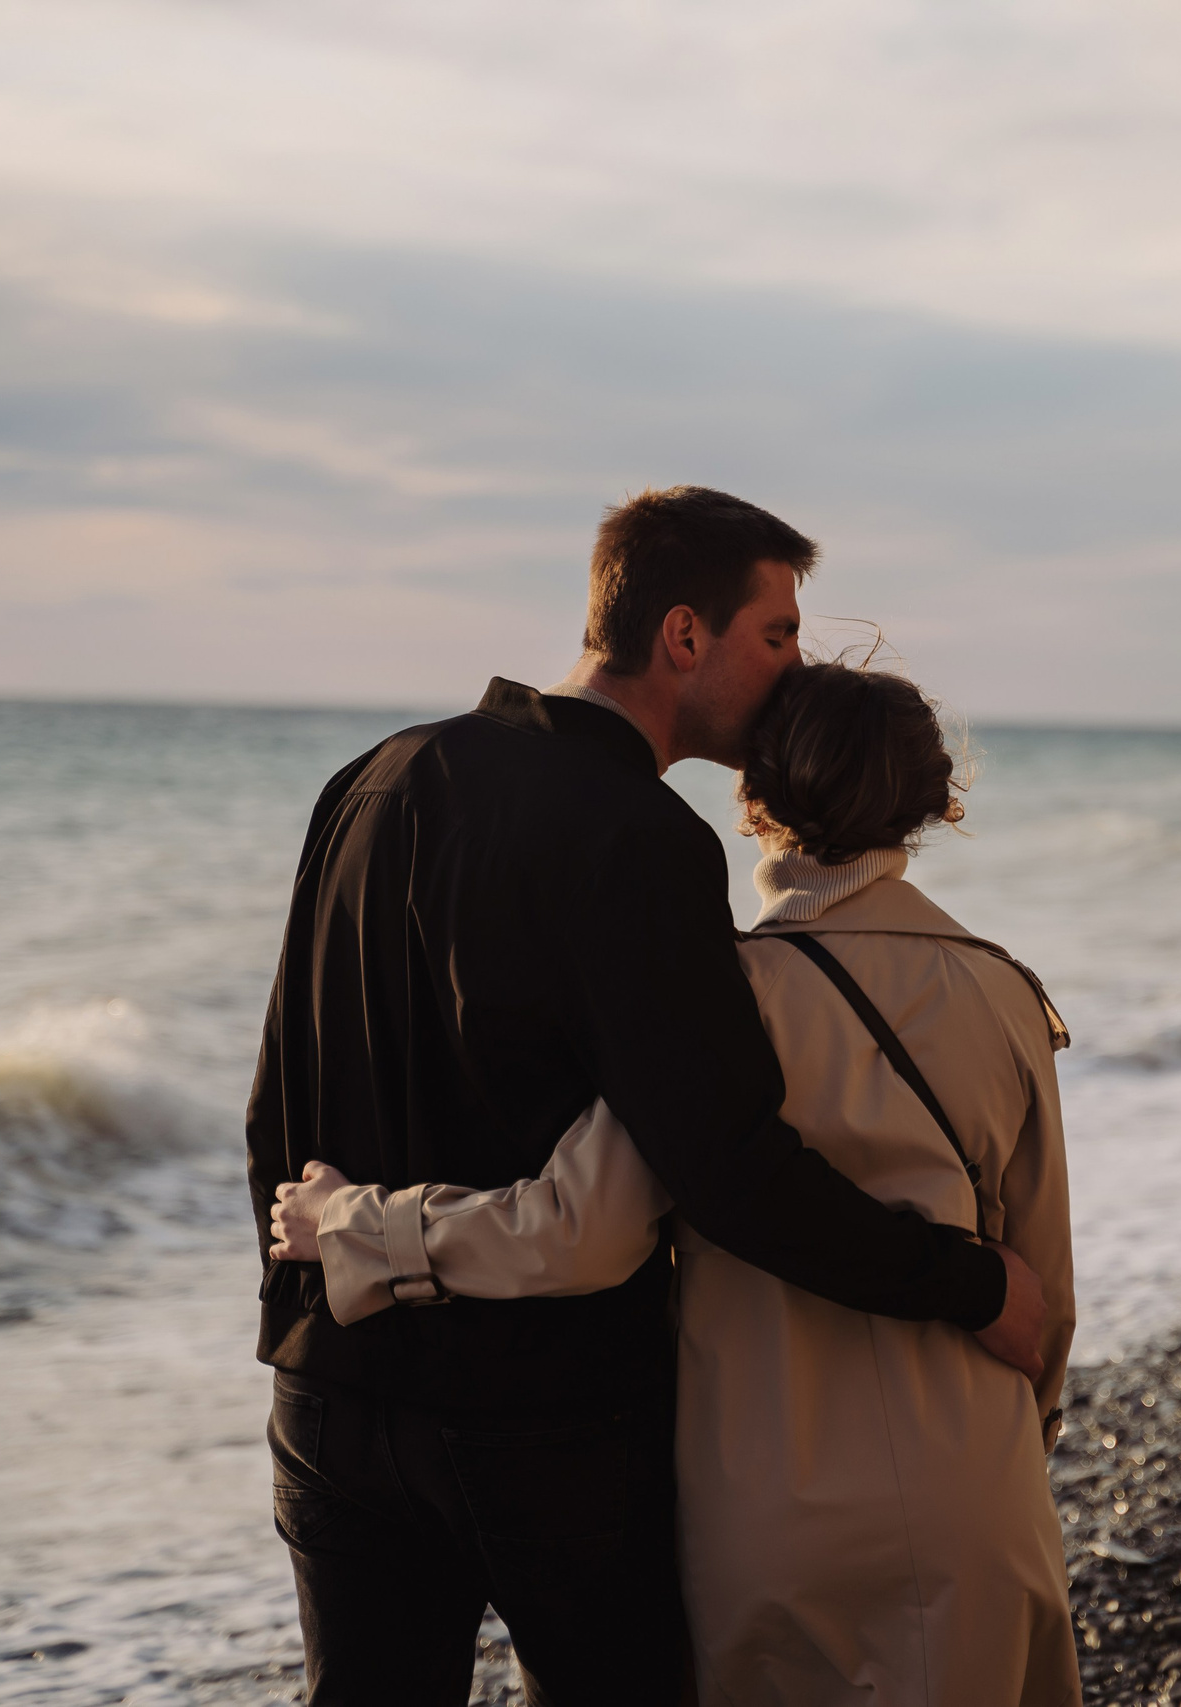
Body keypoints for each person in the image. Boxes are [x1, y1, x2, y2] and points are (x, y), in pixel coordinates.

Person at [244, 486, 1048, 1706]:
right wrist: (967, 1283)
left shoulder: (373, 778)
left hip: (329, 1394)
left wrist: (302, 1298)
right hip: (547, 1416)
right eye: (776, 634)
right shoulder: (640, 835)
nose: (793, 669)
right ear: (683, 635)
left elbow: (278, 1096)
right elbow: (727, 1168)